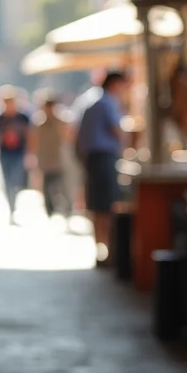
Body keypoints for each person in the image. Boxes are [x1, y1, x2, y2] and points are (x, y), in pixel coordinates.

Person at [76, 71, 129, 266]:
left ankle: (101, 249)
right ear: (116, 84)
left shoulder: (92, 101)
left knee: (97, 206)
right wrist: (128, 143)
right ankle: (108, 251)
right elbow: (117, 130)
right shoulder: (107, 102)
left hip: (92, 158)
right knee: (106, 206)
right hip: (104, 158)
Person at [0, 86, 31, 224]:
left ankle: (15, 204)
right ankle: (11, 208)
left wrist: (30, 153)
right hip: (5, 154)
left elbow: (29, 135)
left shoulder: (22, 117)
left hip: (18, 153)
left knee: (16, 180)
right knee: (7, 182)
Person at [31, 94, 70, 219]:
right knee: (47, 185)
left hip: (58, 159)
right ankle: (49, 208)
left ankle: (62, 206)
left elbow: (66, 138)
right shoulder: (39, 123)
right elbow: (34, 141)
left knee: (59, 185)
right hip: (45, 159)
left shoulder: (61, 121)